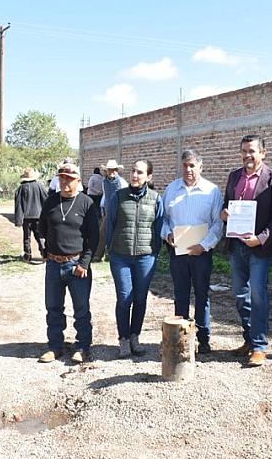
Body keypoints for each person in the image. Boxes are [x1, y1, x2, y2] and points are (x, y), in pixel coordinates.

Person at [221, 134, 272, 367]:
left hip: (259, 248)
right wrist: (224, 214)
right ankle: (248, 338)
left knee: (258, 294)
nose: (247, 155)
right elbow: (226, 205)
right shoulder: (234, 176)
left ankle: (259, 346)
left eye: (252, 151)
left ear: (263, 153)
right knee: (240, 294)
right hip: (236, 245)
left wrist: (260, 239)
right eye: (243, 151)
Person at [161, 149, 224, 354]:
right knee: (180, 296)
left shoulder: (211, 191)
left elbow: (217, 224)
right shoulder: (172, 189)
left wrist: (203, 246)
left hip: (201, 253)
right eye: (185, 165)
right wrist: (167, 234)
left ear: (200, 166)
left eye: (192, 165)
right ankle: (181, 338)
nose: (188, 170)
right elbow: (164, 219)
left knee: (202, 296)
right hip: (177, 253)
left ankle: (204, 339)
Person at [38, 162, 99, 364]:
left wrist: (84, 263)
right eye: (62, 178)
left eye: (69, 179)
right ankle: (55, 346)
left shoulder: (87, 203)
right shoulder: (50, 201)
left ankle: (82, 346)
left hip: (77, 265)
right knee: (53, 307)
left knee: (81, 309)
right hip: (54, 265)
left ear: (78, 181)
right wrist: (45, 251)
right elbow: (42, 228)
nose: (64, 182)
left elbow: (93, 237)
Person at [106, 160, 164, 358]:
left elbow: (159, 226)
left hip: (145, 257)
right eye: (133, 171)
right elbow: (110, 224)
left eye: (140, 172)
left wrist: (155, 252)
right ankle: (123, 339)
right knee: (124, 299)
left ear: (149, 176)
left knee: (140, 299)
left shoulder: (156, 199)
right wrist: (109, 249)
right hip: (121, 256)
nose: (134, 175)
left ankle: (134, 337)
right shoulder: (118, 196)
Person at [92, 159, 128, 262]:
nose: (112, 172)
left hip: (119, 210)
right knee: (103, 232)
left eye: (114, 170)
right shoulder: (104, 182)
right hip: (108, 210)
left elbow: (124, 197)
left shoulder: (121, 182)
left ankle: (113, 254)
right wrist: (102, 206)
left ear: (117, 170)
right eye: (110, 170)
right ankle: (98, 255)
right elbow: (105, 195)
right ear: (106, 171)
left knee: (117, 234)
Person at [14, 167, 48, 262]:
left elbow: (18, 204)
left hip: (26, 217)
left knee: (27, 237)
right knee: (40, 236)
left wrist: (18, 219)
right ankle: (44, 254)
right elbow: (46, 200)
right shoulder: (39, 186)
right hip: (38, 216)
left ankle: (27, 255)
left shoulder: (21, 188)